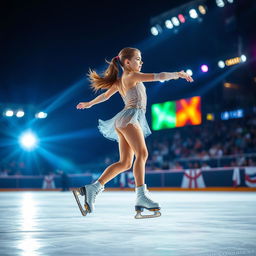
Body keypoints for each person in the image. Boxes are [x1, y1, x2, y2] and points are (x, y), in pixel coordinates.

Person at [73, 47, 193, 219]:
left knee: (125, 163)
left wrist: (89, 103)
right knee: (142, 153)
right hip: (130, 117)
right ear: (127, 62)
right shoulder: (132, 75)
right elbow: (158, 76)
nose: (141, 62)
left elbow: (105, 96)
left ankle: (93, 188)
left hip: (124, 120)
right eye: (138, 59)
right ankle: (141, 196)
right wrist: (178, 74)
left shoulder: (121, 80)